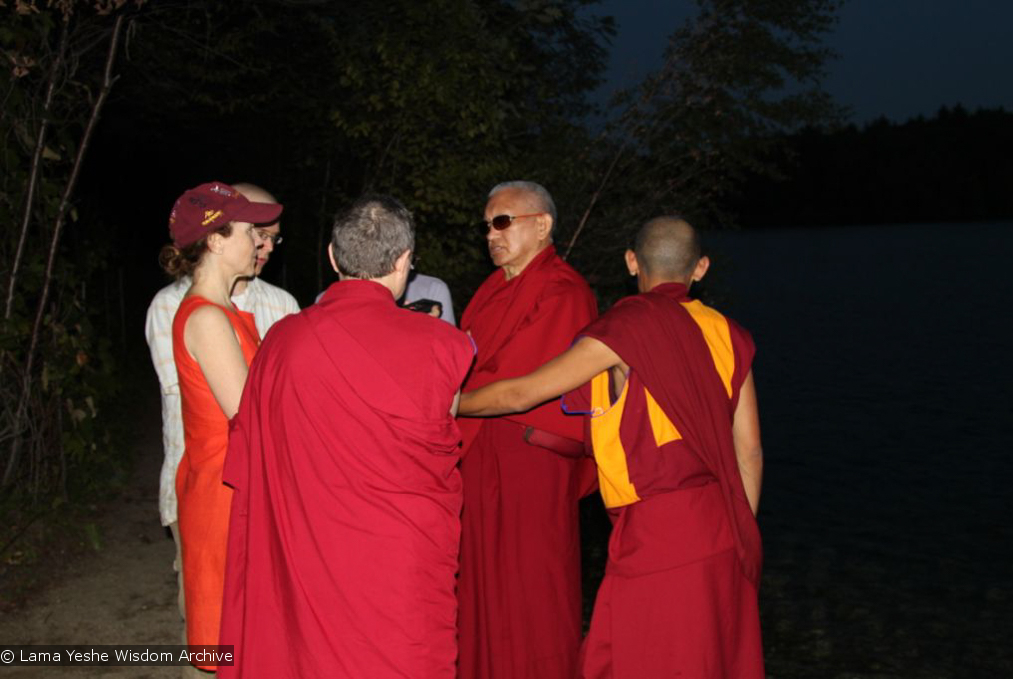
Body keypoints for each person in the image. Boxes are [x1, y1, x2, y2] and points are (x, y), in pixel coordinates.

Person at [459, 217, 765, 678]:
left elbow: (522, 393)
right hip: (722, 524)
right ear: (699, 268)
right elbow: (750, 452)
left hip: (655, 533)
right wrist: (740, 528)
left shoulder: (622, 330)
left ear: (630, 262)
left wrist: (452, 402)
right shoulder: (729, 334)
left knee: (635, 659)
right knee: (707, 659)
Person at [218, 196, 474, 678]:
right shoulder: (446, 344)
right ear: (404, 261)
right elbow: (446, 422)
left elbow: (254, 441)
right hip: (401, 557)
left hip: (310, 544)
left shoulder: (284, 340)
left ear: (334, 258)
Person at [143, 183, 298, 658]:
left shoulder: (224, 312)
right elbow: (253, 415)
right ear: (214, 238)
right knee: (230, 643)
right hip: (223, 493)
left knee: (254, 639)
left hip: (239, 485)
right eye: (251, 231)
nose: (259, 242)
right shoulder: (207, 317)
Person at [457, 180, 597, 679]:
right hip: (479, 453)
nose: (491, 235)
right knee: (478, 586)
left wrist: (448, 404)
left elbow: (519, 386)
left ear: (542, 226)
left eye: (503, 222)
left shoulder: (563, 290)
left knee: (533, 586)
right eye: (486, 225)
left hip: (528, 459)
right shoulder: (493, 289)